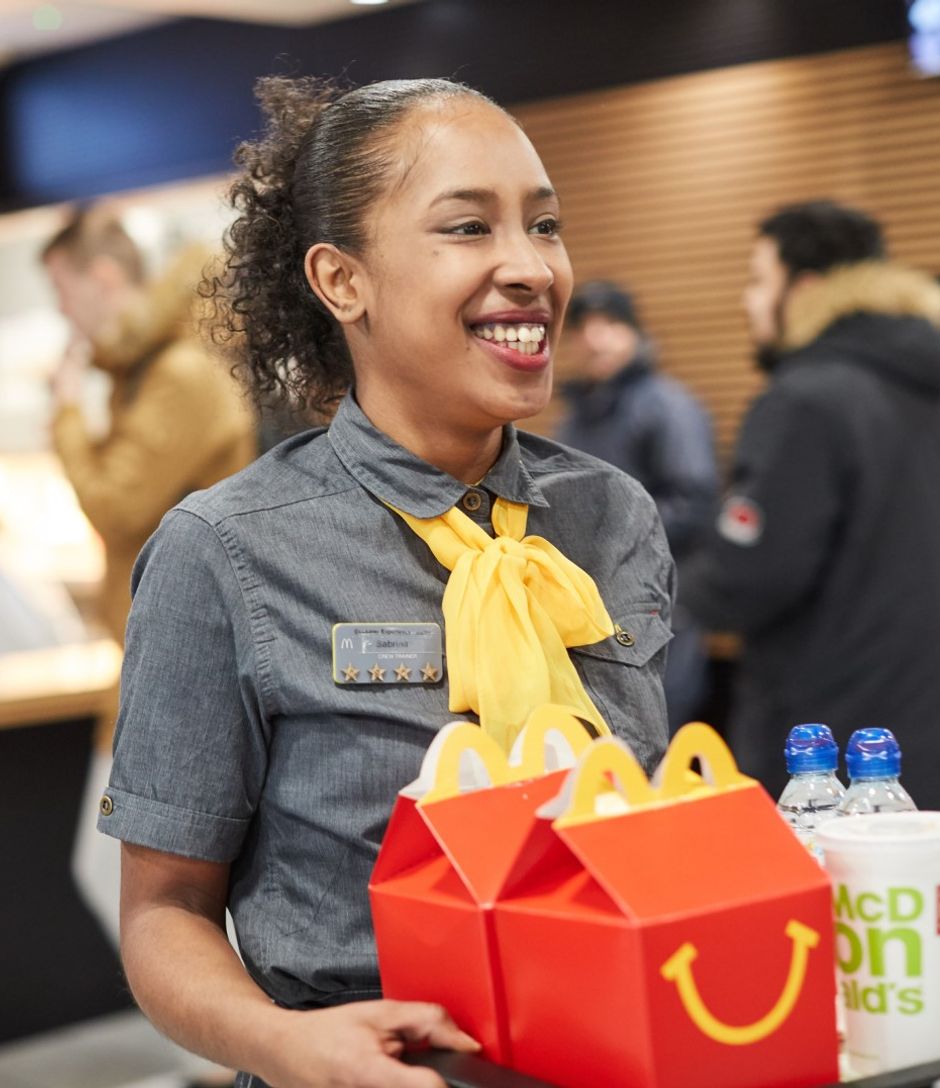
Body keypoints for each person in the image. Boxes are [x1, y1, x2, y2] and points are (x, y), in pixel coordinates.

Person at [97, 76, 672, 1088]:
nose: (529, 266)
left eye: (544, 225)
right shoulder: (225, 551)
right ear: (342, 280)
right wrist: (286, 1043)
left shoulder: (609, 515)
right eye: (466, 227)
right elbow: (163, 910)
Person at [679, 200, 940, 813]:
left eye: (758, 281)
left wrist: (647, 597)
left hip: (832, 760)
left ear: (807, 288)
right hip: (932, 739)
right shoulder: (931, 401)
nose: (747, 302)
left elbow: (753, 572)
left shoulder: (805, 400)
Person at [43, 207, 257, 1088]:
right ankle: (225, 1056)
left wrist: (64, 418)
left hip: (186, 658)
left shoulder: (175, 375)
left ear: (102, 280)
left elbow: (118, 505)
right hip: (159, 652)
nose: (65, 317)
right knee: (149, 874)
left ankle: (233, 1053)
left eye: (62, 293)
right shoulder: (149, 373)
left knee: (141, 873)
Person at [557, 281, 719, 730]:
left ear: (635, 334)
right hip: (590, 605)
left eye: (610, 324)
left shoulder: (667, 406)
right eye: (583, 328)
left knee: (654, 728)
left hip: (663, 599)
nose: (595, 338)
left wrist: (605, 541)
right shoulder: (573, 418)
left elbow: (693, 504)